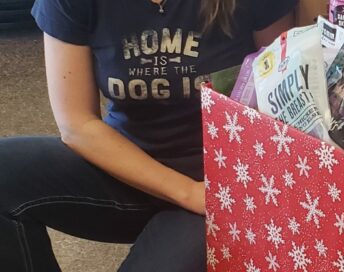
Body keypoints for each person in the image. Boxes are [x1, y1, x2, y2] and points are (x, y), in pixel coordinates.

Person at [0, 0, 296, 270]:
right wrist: (186, 192)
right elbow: (77, 125)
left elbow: (283, 100)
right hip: (128, 166)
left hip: (215, 181)